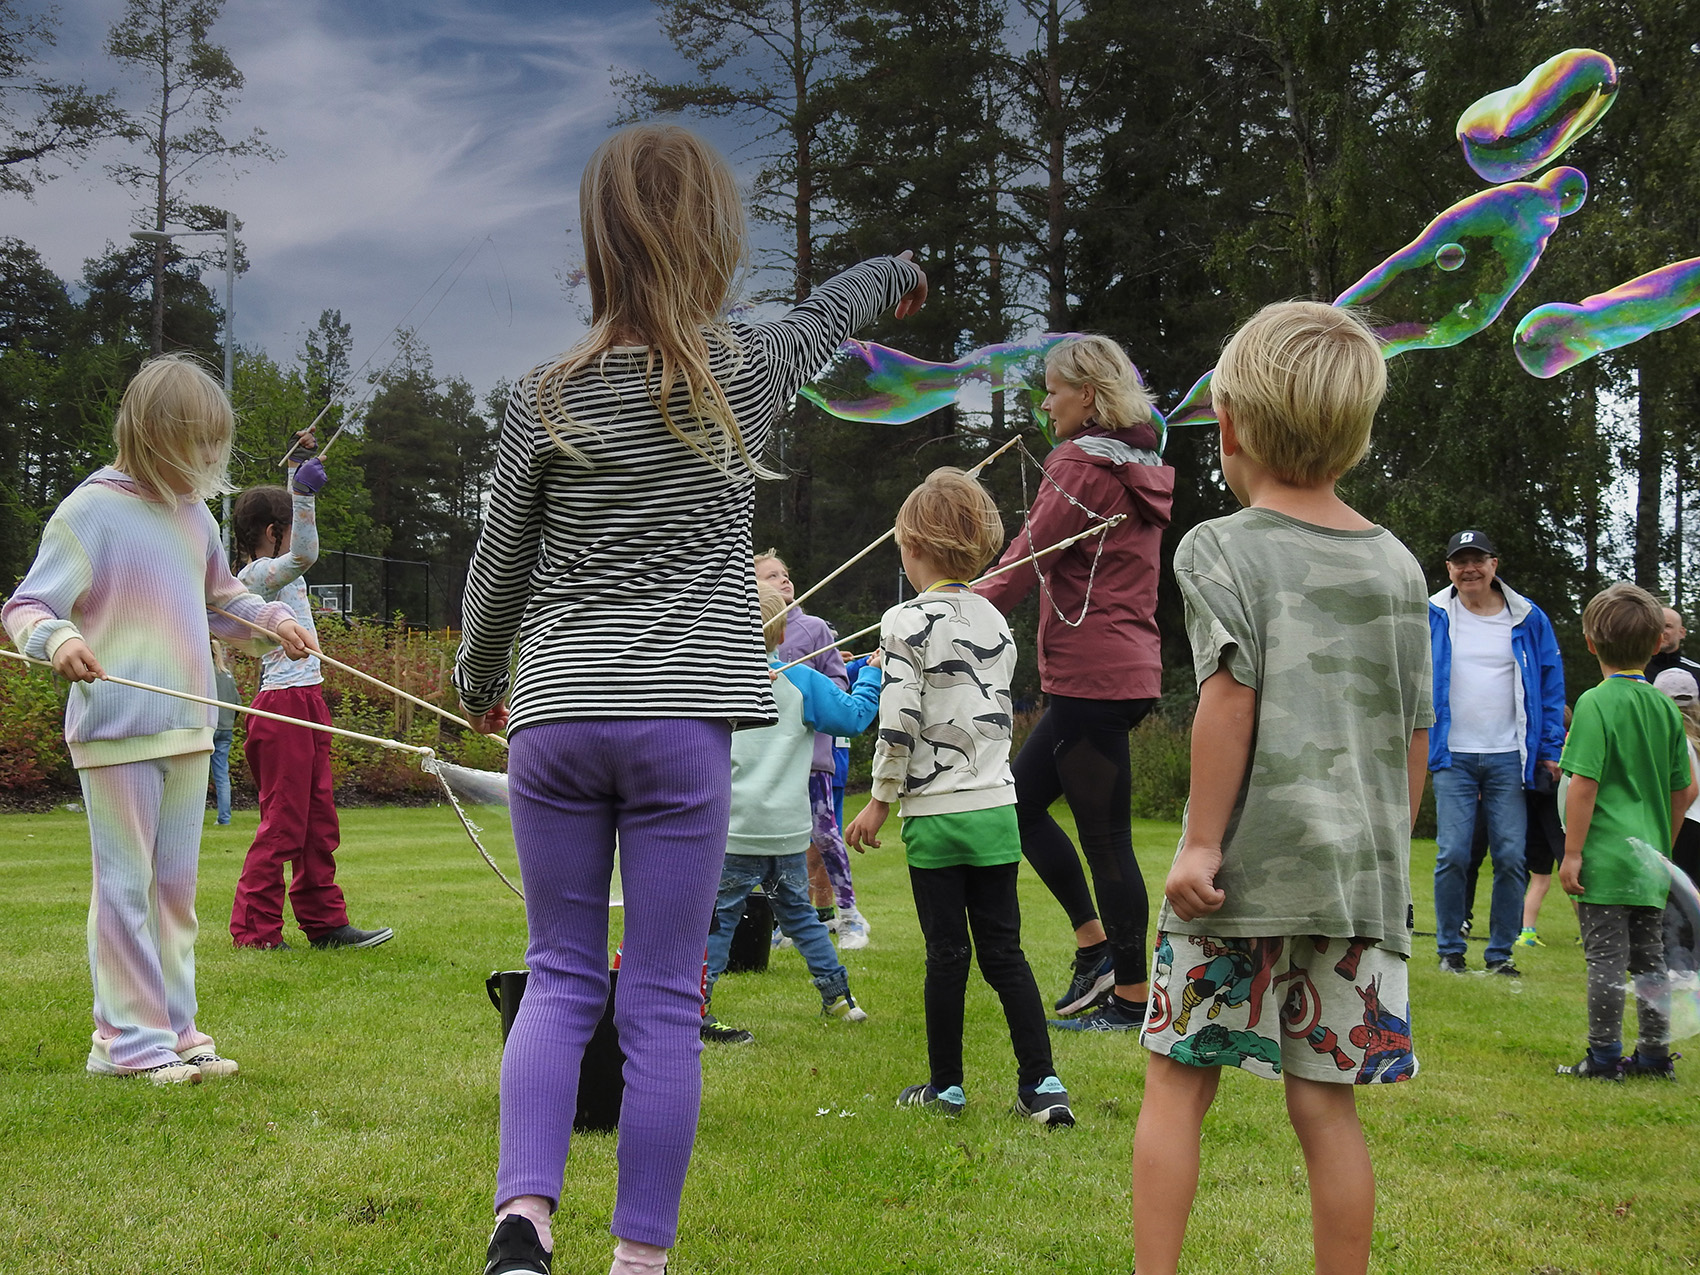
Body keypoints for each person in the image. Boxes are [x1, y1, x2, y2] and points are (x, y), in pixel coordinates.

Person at [452, 122, 926, 1275]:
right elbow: (831, 308)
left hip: (557, 715)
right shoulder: (745, 373)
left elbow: (499, 561)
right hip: (678, 729)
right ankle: (638, 1262)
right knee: (661, 999)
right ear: (715, 238)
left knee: (562, 972)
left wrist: (476, 680)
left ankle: (523, 1223)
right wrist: (900, 272)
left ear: (593, 247)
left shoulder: (541, 397)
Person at [1133, 302, 1430, 1275]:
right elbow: (1410, 731)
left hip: (1239, 880)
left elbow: (1227, 700)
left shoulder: (1217, 548)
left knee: (1177, 1085)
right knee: (1324, 1103)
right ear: (1356, 430)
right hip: (1354, 880)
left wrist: (1201, 843)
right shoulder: (1394, 565)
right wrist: (1387, 854)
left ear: (1226, 428)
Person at [2, 354, 315, 1083]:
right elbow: (26, 606)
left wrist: (273, 618)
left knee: (172, 888)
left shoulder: (194, 515)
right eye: (199, 446)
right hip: (115, 730)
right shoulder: (91, 511)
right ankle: (123, 1042)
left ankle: (176, 1029)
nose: (211, 461)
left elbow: (220, 598)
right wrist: (63, 640)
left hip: (186, 727)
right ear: (154, 435)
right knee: (125, 885)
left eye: (217, 446)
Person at [845, 468, 1074, 1128]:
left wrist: (880, 800)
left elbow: (900, 717)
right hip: (998, 808)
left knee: (948, 953)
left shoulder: (904, 620)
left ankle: (946, 1086)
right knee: (1006, 951)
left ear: (913, 547)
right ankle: (1043, 1083)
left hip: (938, 818)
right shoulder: (997, 619)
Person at [976, 334, 1174, 1032]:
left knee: (1106, 839)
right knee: (1017, 806)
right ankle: (1095, 949)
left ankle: (1128, 998)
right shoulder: (1134, 459)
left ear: (1087, 394)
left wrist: (947, 609)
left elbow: (1023, 558)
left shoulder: (1079, 463)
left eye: (1055, 389)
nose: (1046, 402)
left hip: (1094, 676)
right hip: (1122, 669)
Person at [229, 440, 392, 953]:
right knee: (283, 826)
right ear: (274, 532)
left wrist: (300, 465)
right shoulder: (254, 577)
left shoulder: (275, 577)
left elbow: (299, 553)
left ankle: (325, 925)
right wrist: (303, 494)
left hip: (307, 701)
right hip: (282, 709)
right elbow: (304, 553)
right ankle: (255, 932)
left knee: (319, 822)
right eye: (290, 523)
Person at [701, 584, 882, 1044]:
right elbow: (855, 716)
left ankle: (694, 1007)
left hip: (735, 830)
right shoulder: (800, 681)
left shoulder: (713, 680)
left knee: (718, 923)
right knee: (801, 915)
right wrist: (873, 674)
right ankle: (838, 998)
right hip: (786, 830)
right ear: (781, 633)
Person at [1555, 582, 1695, 1081]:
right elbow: (1687, 788)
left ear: (1591, 644)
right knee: (1650, 960)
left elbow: (1583, 783)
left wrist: (1572, 855)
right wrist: (1664, 845)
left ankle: (1604, 1058)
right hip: (1649, 862)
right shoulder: (1664, 707)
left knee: (1606, 960)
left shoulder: (1595, 702)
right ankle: (1655, 1058)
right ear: (1657, 643)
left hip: (1606, 860)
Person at [1428, 529, 1565, 976]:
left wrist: (1550, 749)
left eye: (1478, 560)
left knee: (1511, 856)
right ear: (1449, 568)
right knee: (1453, 853)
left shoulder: (1528, 617)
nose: (1469, 569)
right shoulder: (1431, 613)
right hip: (1452, 754)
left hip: (1511, 754)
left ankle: (1500, 954)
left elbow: (1549, 684)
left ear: (1494, 565)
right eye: (1459, 561)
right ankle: (1450, 949)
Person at [755, 549, 873, 948]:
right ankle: (789, 922)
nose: (783, 580)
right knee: (775, 840)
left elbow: (838, 688)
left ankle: (850, 915)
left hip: (810, 756)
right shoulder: (740, 632)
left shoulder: (815, 629)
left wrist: (801, 695)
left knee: (824, 834)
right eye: (772, 576)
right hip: (764, 760)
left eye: (785, 573)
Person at [209, 638, 241, 826]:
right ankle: (224, 818)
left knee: (195, 775)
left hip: (208, 727)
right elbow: (237, 703)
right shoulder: (227, 675)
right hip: (226, 729)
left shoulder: (205, 674)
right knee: (221, 774)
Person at [1645, 606, 1700, 683]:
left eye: (1667, 626)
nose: (1661, 632)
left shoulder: (1696, 672)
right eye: (1656, 626)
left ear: (1682, 632)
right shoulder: (1636, 668)